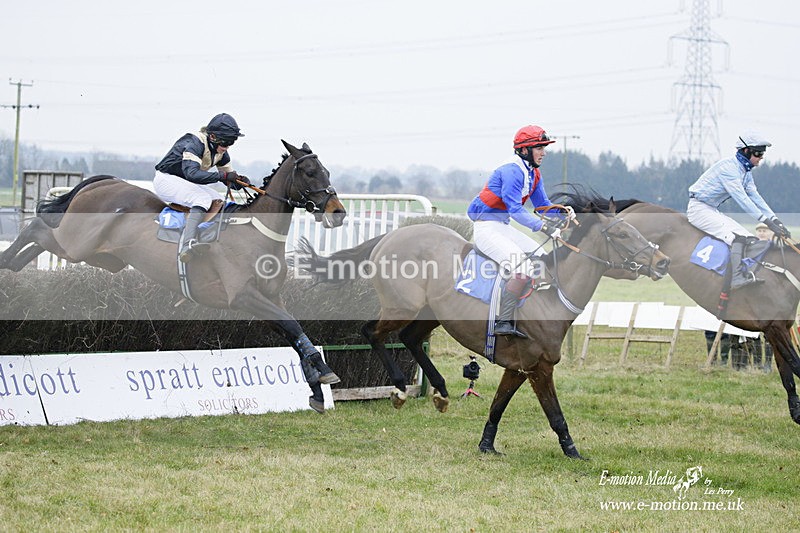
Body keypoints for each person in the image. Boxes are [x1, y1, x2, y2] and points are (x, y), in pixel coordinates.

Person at [467, 124, 574, 337]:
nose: (544, 153)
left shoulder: (533, 173)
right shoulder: (511, 171)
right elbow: (515, 209)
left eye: (544, 148)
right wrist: (543, 227)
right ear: (524, 150)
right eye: (539, 148)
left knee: (543, 257)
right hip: (486, 229)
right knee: (523, 266)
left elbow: (542, 205)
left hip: (502, 227)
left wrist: (564, 214)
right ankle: (503, 321)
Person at [687, 130, 790, 290]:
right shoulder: (729, 169)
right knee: (738, 238)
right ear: (746, 151)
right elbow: (743, 199)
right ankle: (735, 278)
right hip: (698, 209)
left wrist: (775, 220)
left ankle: (746, 272)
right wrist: (767, 222)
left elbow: (756, 197)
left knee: (750, 238)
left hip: (711, 209)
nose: (761, 157)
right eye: (758, 153)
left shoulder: (745, 172)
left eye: (762, 154)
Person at [154, 113, 250, 262]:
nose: (227, 146)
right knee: (202, 199)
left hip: (184, 182)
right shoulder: (195, 143)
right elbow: (192, 174)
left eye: (231, 142)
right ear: (213, 137)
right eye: (225, 141)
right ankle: (187, 244)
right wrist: (223, 176)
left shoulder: (221, 152)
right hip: (166, 180)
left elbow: (228, 179)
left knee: (217, 199)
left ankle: (205, 235)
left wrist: (240, 181)